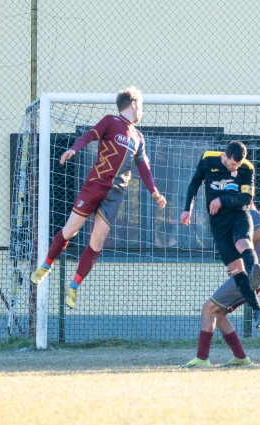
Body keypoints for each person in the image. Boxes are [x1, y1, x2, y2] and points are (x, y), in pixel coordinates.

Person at [30, 87, 167, 308]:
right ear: (133, 104)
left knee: (97, 241)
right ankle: (46, 266)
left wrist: (154, 192)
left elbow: (144, 167)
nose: (142, 110)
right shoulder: (110, 121)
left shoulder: (139, 137)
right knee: (71, 230)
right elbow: (89, 135)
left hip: (116, 194)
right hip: (95, 185)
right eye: (141, 105)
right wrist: (74, 149)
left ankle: (73, 286)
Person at [180, 141, 260, 328]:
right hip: (218, 223)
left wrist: (222, 199)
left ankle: (255, 270)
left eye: (237, 165)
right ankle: (258, 310)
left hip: (239, 214)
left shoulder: (247, 169)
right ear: (224, 156)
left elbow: (246, 198)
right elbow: (194, 184)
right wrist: (186, 209)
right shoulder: (208, 160)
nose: (234, 168)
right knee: (237, 270)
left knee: (242, 244)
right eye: (231, 164)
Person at [181, 204, 260, 368]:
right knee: (217, 314)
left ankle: (201, 359)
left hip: (249, 277)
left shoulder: (251, 216)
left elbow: (259, 234)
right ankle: (240, 358)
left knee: (208, 309)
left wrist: (236, 246)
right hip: (259, 275)